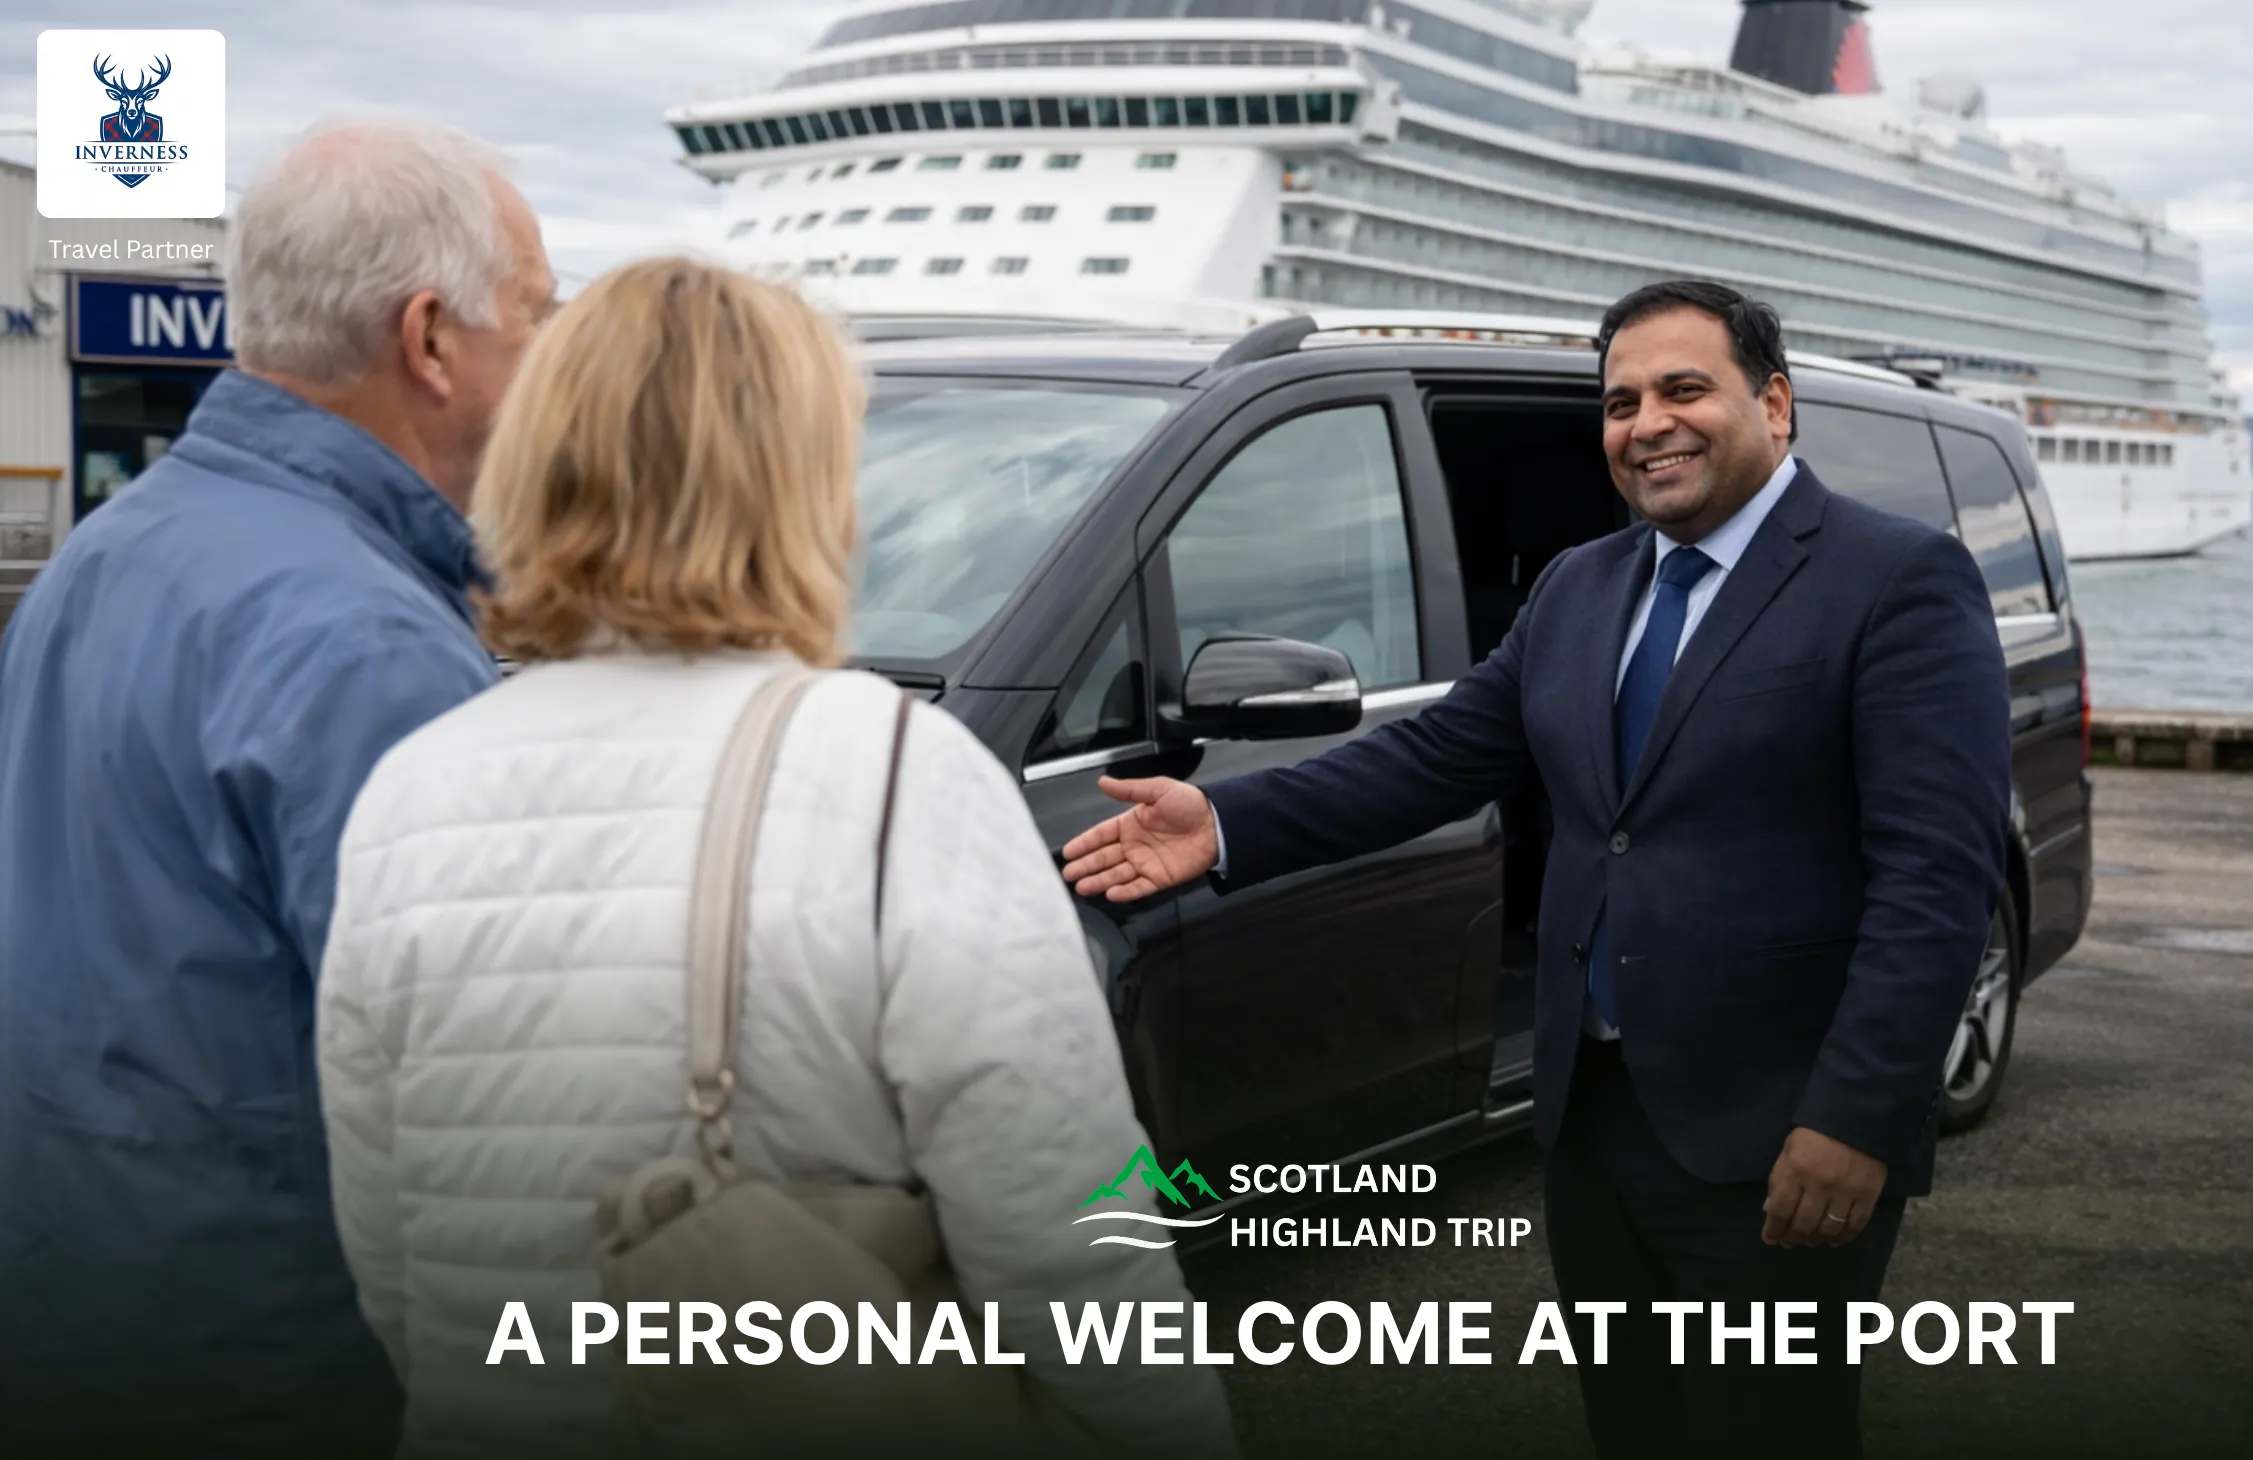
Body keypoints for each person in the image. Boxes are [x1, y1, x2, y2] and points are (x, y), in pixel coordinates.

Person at [1062, 280, 2012, 1457]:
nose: (1645, 422)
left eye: (1682, 389)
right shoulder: (1581, 584)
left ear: (1773, 403)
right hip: (1593, 1122)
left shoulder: (1894, 579)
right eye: (1619, 402)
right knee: (1632, 1430)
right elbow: (1434, 755)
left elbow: (1934, 877)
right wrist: (1223, 821)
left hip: (1776, 1128)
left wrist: (1857, 1117)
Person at [314, 256, 1236, 1459]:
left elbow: (387, 1255)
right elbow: (1072, 1258)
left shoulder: (412, 787)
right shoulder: (895, 772)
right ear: (808, 492)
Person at [0, 119, 553, 1454]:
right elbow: (487, 1124)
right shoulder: (365, 645)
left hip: (81, 1300)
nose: (554, 365)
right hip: (287, 1358)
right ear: (428, 339)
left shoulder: (115, 545)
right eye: (536, 317)